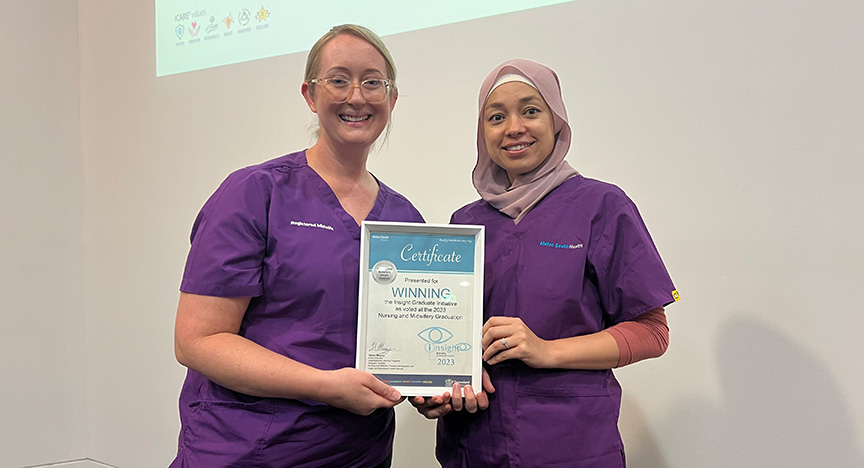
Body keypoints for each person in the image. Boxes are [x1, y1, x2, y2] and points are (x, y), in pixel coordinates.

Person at [170, 24, 424, 468]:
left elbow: (411, 341)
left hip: (358, 451)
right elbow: (198, 340)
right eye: (339, 79)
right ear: (310, 94)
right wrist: (323, 385)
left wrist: (436, 385)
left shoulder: (404, 217)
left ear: (393, 98)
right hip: (249, 448)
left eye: (372, 82)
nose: (357, 96)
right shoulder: (254, 193)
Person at [411, 59, 679, 467]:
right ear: (482, 133)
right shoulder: (465, 223)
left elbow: (652, 333)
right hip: (474, 446)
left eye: (531, 110)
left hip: (572, 445)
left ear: (557, 121)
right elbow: (445, 338)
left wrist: (547, 350)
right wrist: (434, 389)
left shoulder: (601, 205)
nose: (513, 127)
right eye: (496, 116)